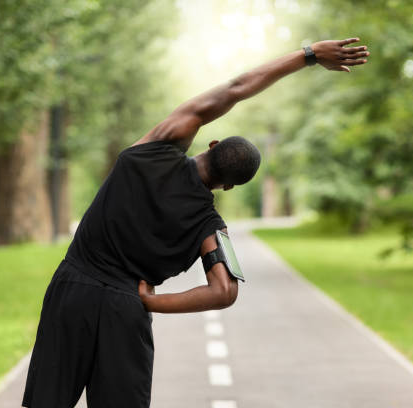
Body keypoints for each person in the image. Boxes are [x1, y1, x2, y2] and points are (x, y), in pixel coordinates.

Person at [22, 37, 368, 408]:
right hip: (126, 308)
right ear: (230, 186)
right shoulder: (210, 226)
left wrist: (309, 55)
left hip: (72, 290)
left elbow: (235, 89)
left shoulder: (156, 147)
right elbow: (225, 291)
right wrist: (150, 302)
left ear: (213, 143)